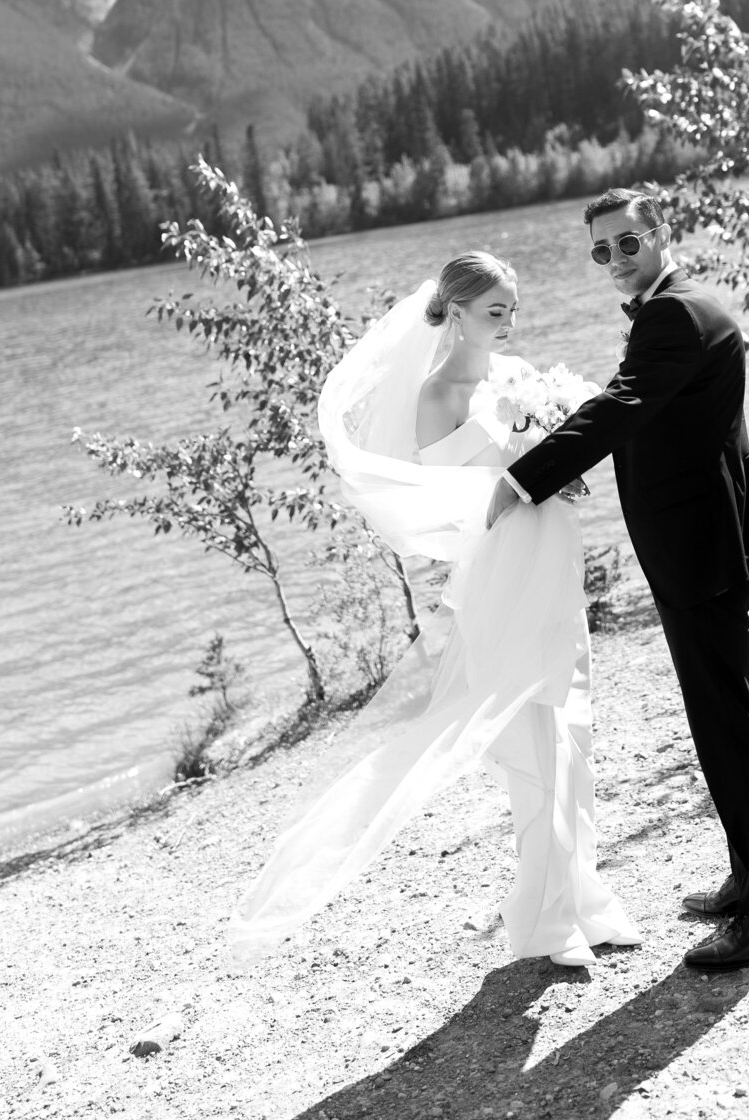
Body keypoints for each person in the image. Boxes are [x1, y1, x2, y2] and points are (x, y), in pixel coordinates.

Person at [229, 251, 639, 969]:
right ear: (453, 312)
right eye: (494, 312)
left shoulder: (515, 378)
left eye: (513, 310)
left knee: (574, 732)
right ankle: (542, 921)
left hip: (553, 561)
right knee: (537, 745)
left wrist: (554, 470)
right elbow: (458, 505)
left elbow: (533, 467)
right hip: (505, 573)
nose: (509, 324)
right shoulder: (437, 395)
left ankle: (583, 897)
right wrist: (526, 468)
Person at [487, 188, 749, 972]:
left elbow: (626, 404)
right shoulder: (683, 307)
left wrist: (525, 477)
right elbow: (656, 417)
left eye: (626, 244)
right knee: (716, 721)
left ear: (660, 234)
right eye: (601, 251)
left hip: (699, 550)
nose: (614, 262)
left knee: (730, 726)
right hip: (699, 544)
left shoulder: (674, 314)